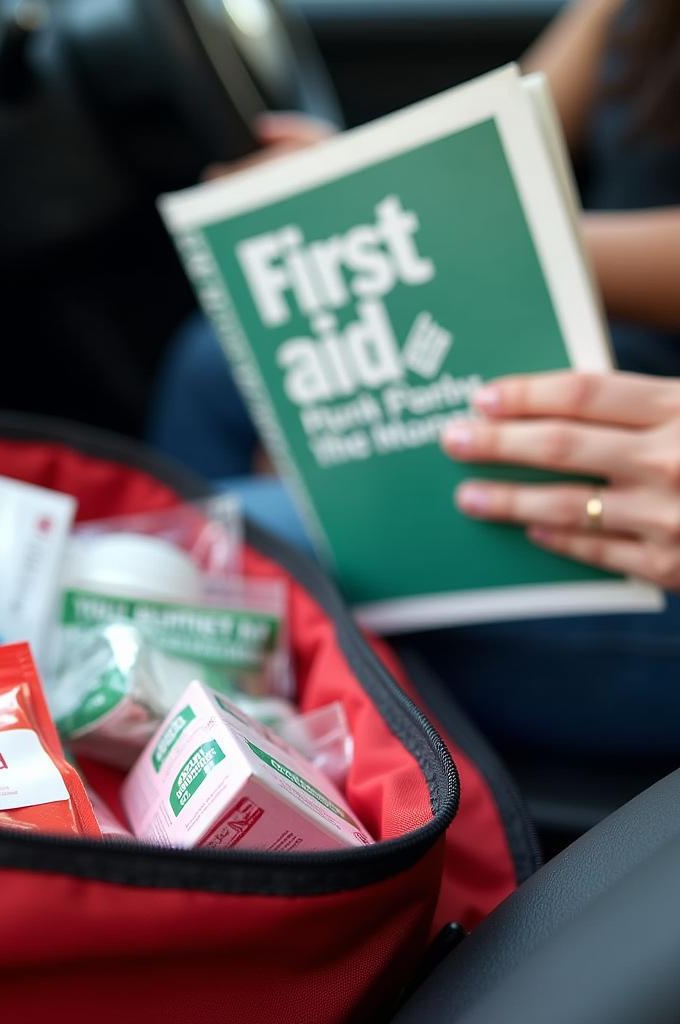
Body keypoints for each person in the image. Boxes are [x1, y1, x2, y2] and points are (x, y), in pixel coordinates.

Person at [146, 0, 680, 758]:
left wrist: (438, 238)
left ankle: (231, 749)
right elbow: (514, 138)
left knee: (246, 543)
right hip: (627, 369)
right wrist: (358, 185)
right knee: (212, 366)